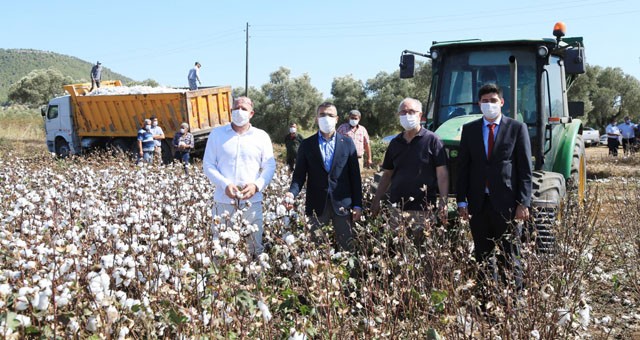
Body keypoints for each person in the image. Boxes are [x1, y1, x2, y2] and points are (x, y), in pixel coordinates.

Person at [456, 84, 532, 290]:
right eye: (485, 101)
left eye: (493, 100)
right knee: (482, 255)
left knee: (510, 255)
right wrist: (461, 200)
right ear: (479, 104)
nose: (489, 104)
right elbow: (463, 168)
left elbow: (525, 169)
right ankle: (487, 300)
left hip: (507, 204)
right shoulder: (470, 130)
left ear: (502, 103)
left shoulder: (516, 128)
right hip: (478, 204)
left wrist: (523, 203)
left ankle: (513, 302)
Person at [203, 96, 276, 257]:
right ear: (231, 111)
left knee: (254, 248)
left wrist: (256, 186)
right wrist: (224, 184)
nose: (239, 111)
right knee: (221, 249)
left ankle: (254, 281)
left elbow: (270, 165)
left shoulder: (261, 136)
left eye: (244, 109)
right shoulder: (217, 134)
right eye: (236, 108)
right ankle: (221, 281)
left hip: (252, 202)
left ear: (251, 113)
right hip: (223, 202)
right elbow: (208, 165)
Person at [371, 98, 449, 245]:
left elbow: (442, 174)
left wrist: (443, 202)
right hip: (397, 208)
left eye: (411, 112)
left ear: (420, 115)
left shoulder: (432, 140)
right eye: (403, 112)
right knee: (399, 252)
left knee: (423, 251)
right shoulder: (395, 143)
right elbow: (387, 174)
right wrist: (377, 199)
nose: (407, 115)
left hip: (423, 208)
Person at [286, 102, 362, 252]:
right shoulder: (307, 144)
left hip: (342, 205)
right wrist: (291, 193)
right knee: (316, 248)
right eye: (322, 115)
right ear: (316, 118)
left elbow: (355, 177)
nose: (326, 118)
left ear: (337, 119)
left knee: (347, 247)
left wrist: (357, 205)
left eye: (330, 115)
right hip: (317, 205)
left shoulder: (347, 143)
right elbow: (299, 176)